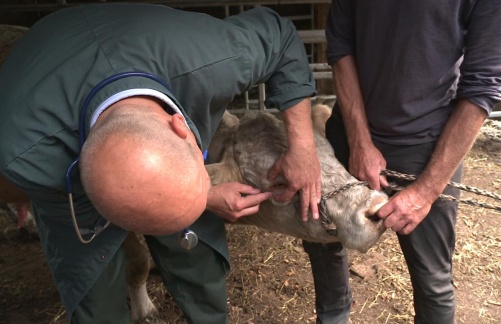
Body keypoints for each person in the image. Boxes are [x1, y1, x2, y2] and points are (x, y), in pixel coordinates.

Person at [0, 4, 322, 322]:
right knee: (91, 287)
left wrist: (303, 148)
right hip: (46, 90)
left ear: (181, 125)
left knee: (195, 244)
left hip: (138, 42)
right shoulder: (22, 151)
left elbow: (281, 38)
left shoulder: (214, 56)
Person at [303, 1, 501, 323]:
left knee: (432, 276)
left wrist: (427, 190)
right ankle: (334, 317)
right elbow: (341, 44)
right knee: (321, 237)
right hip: (350, 126)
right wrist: (359, 141)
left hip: (426, 144)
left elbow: (484, 82)